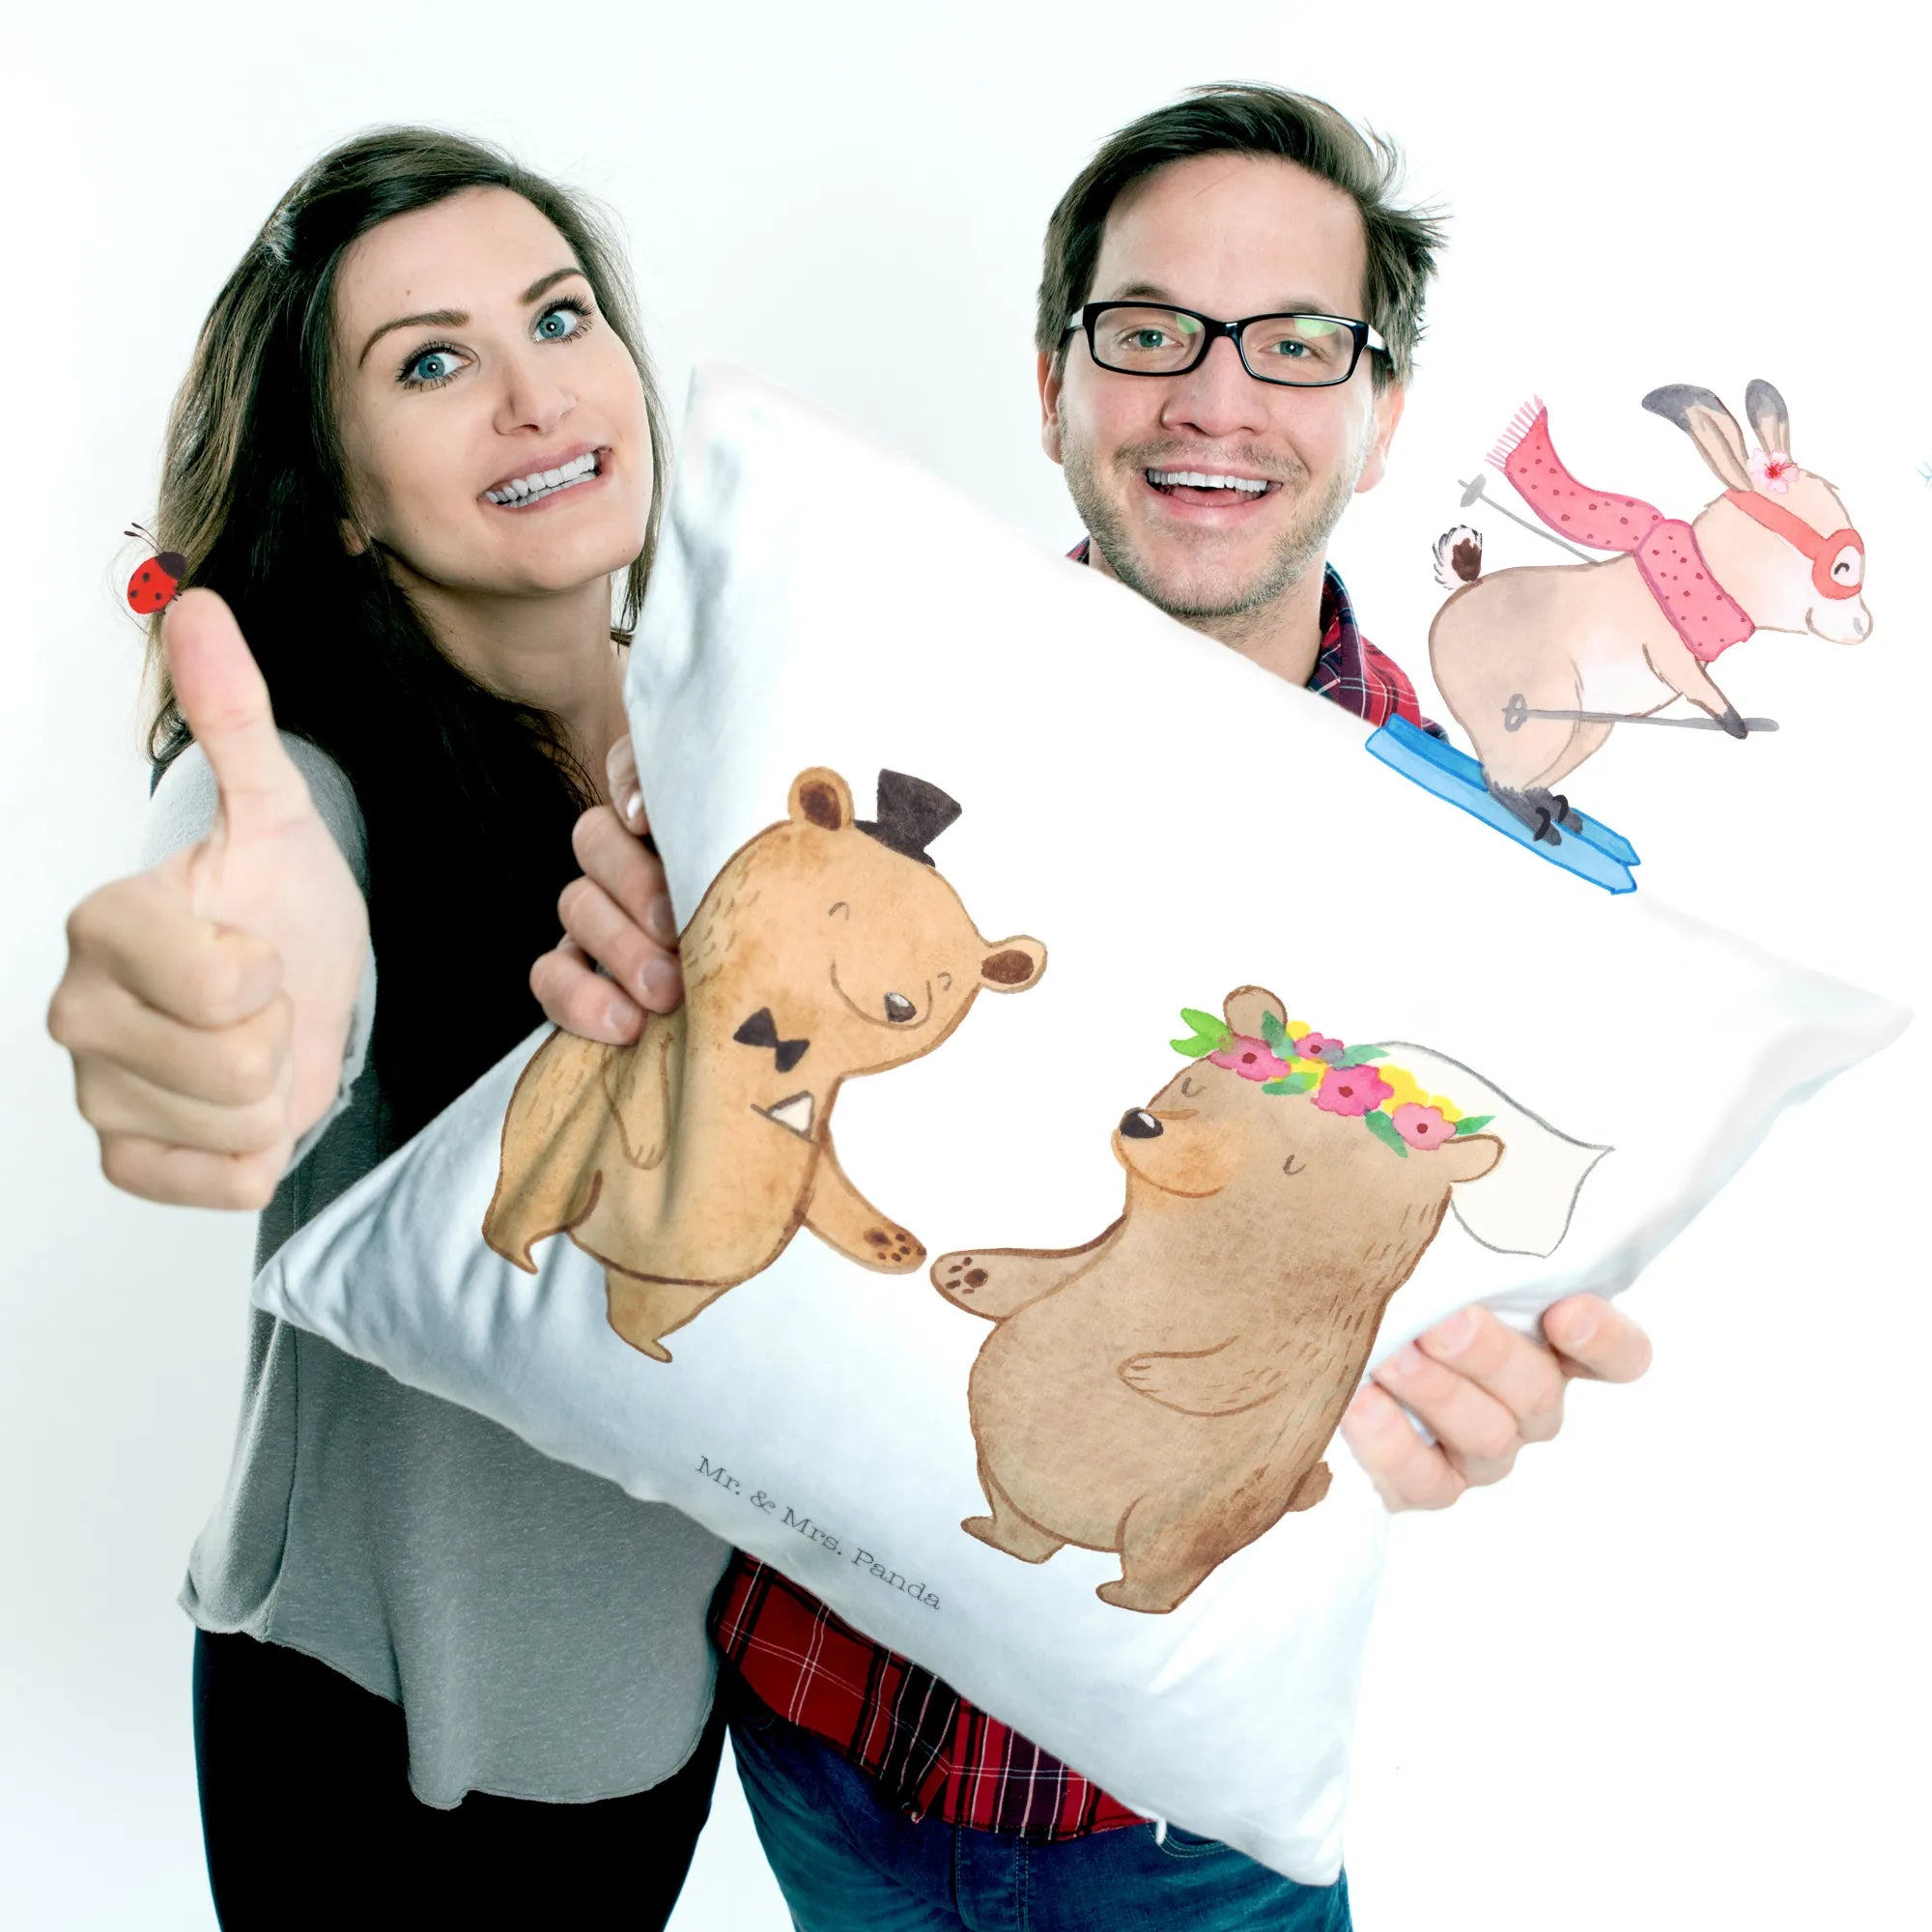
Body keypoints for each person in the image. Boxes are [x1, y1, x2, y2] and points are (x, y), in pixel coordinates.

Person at [534, 84, 1655, 1928]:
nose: (1216, 398)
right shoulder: (830, 700)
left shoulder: (1475, 883)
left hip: (1177, 1832)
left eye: (1296, 343)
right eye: (1150, 333)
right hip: (808, 1741)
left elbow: (1419, 1306)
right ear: (1054, 383)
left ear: (1380, 418)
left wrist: (1463, 1381)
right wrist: (629, 969)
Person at [44, 131, 731, 1927]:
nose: (532, 395)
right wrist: (220, 1001)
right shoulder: (309, 781)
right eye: (430, 363)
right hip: (381, 1741)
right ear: (342, 496)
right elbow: (252, 900)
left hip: (660, 1708)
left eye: (559, 318)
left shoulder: (734, 748)